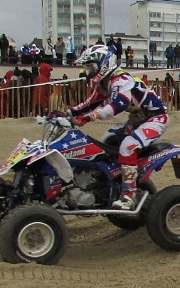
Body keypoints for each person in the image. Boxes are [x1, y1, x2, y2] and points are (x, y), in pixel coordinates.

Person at [66, 45, 169, 210]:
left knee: (128, 146)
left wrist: (90, 117)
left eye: (91, 67)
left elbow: (117, 105)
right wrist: (67, 114)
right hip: (137, 119)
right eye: (87, 67)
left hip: (155, 118)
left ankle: (129, 197)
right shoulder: (105, 83)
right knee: (107, 140)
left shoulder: (121, 80)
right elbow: (89, 103)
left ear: (105, 63)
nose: (89, 71)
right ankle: (110, 183)